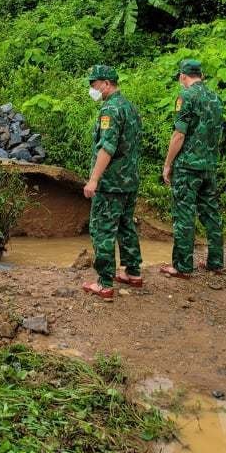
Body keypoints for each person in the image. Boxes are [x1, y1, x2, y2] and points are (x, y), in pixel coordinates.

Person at [81, 65, 144, 301]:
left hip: (111, 182)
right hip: (129, 180)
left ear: (106, 84)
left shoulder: (110, 110)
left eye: (94, 84)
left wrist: (94, 180)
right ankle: (133, 272)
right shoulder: (129, 107)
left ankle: (104, 283)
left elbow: (107, 148)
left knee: (102, 229)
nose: (92, 89)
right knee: (126, 225)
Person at [160, 59, 225, 279]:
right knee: (211, 214)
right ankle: (216, 262)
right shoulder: (215, 98)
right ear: (202, 76)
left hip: (188, 167)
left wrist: (168, 164)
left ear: (182, 76)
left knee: (184, 214)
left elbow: (179, 134)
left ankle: (182, 266)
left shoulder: (186, 96)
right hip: (209, 165)